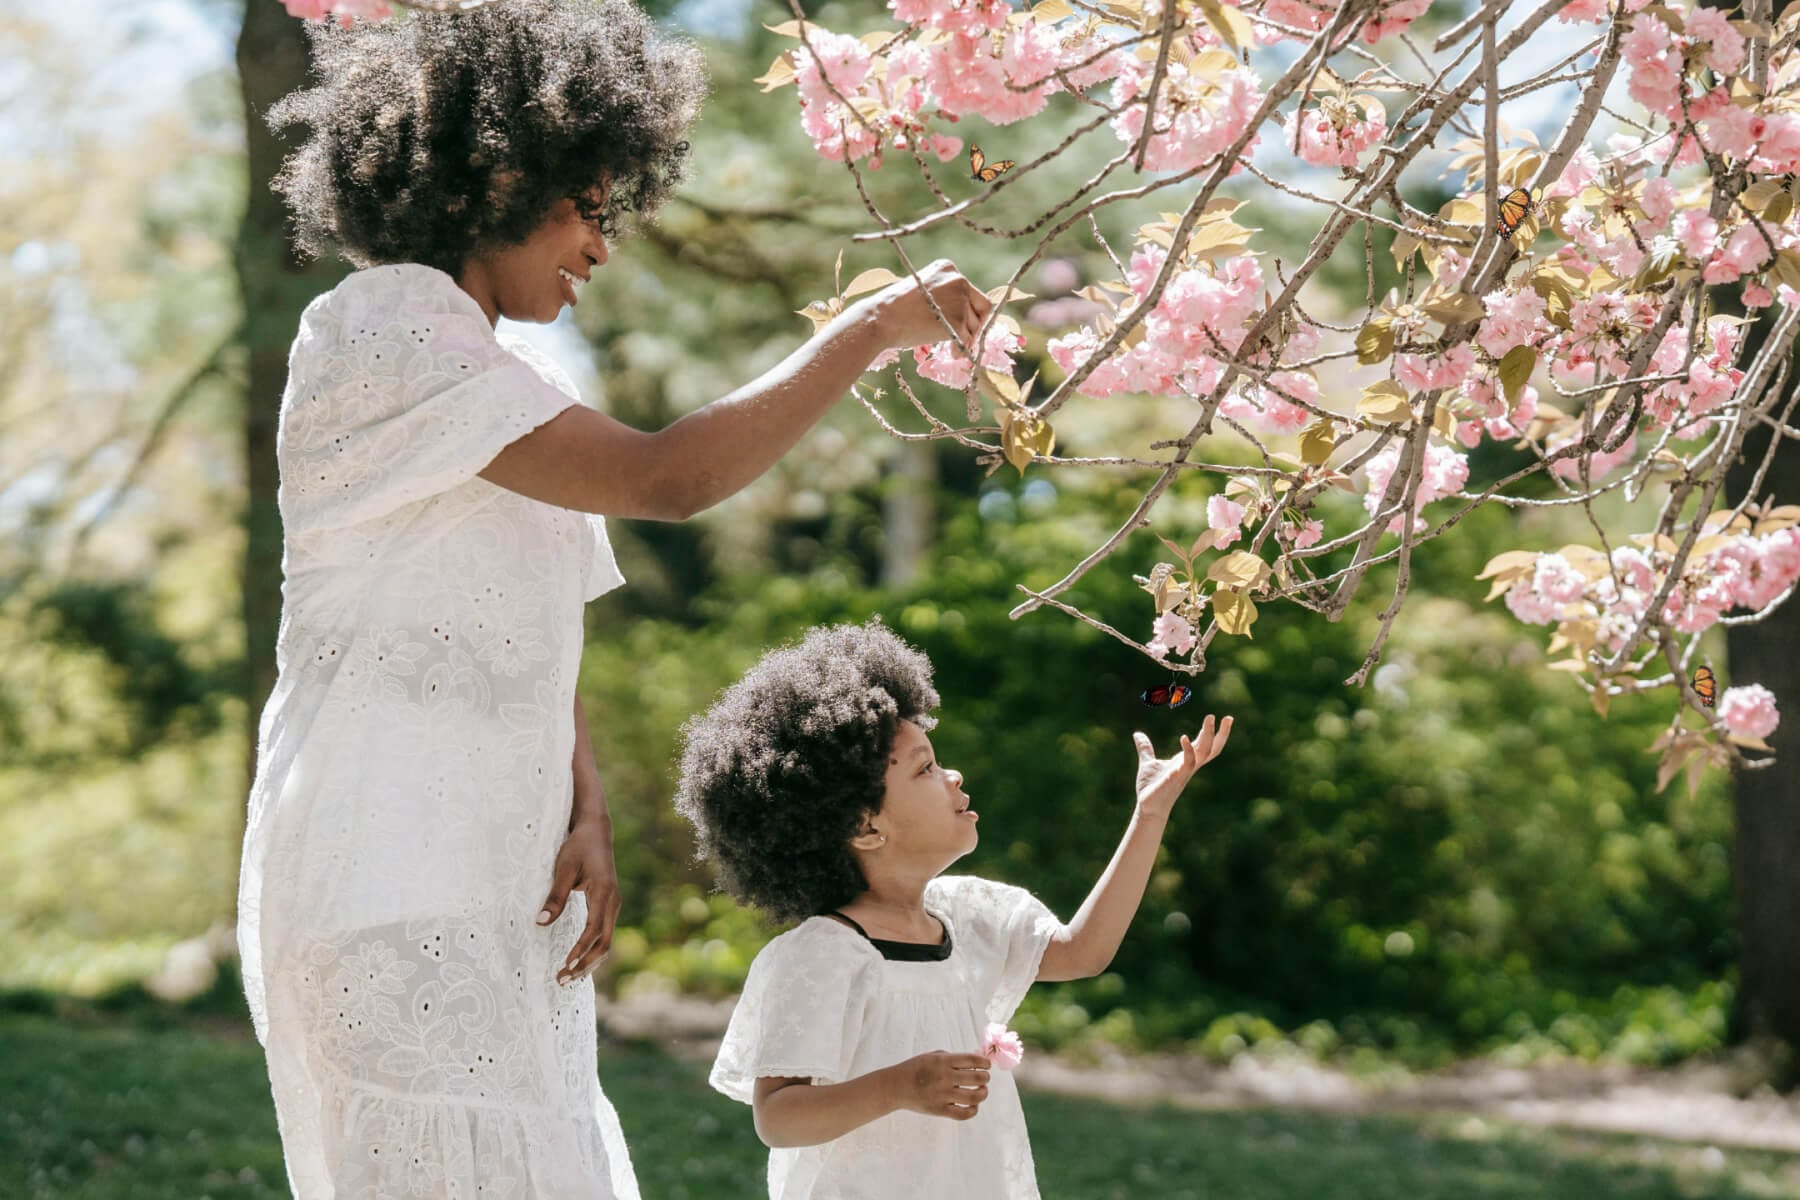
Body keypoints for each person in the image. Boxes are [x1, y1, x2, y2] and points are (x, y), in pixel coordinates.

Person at [236, 3, 994, 1196]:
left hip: (499, 879)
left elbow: (543, 641)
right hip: (385, 867)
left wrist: (580, 809)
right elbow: (671, 479)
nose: (602, 244)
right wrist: (873, 330)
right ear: (496, 173)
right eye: (587, 206)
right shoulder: (381, 327)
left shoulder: (509, 381)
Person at [672, 621, 1233, 1198]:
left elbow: (1084, 951)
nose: (954, 775)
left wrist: (1150, 814)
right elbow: (780, 1117)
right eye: (925, 768)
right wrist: (900, 1085)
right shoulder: (822, 955)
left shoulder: (967, 915)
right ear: (865, 825)